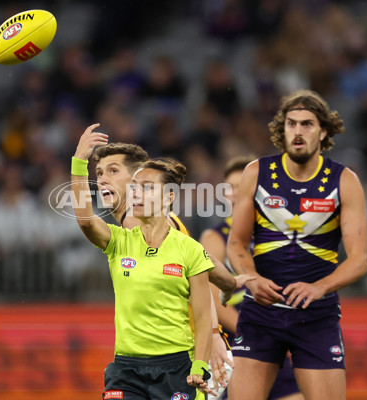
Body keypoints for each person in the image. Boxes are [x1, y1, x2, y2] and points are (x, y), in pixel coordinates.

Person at [226, 90, 367, 399]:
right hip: (260, 314)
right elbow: (236, 243)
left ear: (323, 131)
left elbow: (360, 259)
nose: (298, 132)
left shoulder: (344, 181)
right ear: (283, 129)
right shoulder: (256, 173)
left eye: (307, 124)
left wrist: (319, 287)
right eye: (291, 124)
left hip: (316, 315)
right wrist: (251, 279)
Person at [71, 123, 219, 398]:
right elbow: (85, 221)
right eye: (98, 172)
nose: (102, 179)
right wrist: (79, 163)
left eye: (146, 188)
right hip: (127, 368)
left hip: (177, 365)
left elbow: (201, 308)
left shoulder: (184, 247)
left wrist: (206, 353)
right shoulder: (120, 239)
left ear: (168, 197)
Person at [92, 141, 253, 390]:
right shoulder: (149, 219)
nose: (102, 178)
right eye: (99, 172)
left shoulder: (137, 223)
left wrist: (212, 335)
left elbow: (195, 269)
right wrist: (228, 283)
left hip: (182, 354)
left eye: (113, 171)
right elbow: (202, 259)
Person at [200, 156, 303, 400]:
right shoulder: (215, 238)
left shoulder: (275, 234)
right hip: (234, 338)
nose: (235, 193)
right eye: (230, 188)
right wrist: (254, 330)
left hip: (270, 332)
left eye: (242, 186)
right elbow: (212, 301)